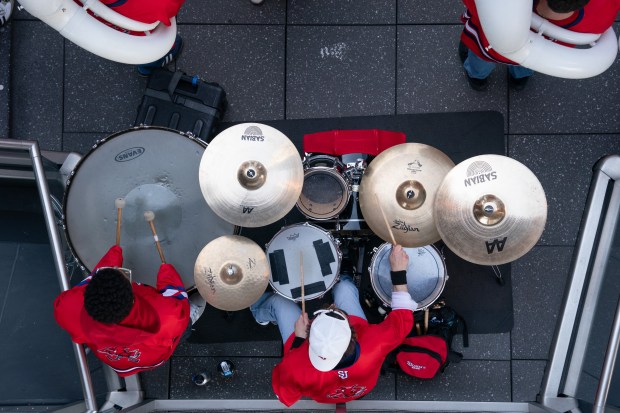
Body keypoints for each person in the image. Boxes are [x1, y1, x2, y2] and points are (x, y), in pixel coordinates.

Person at [251, 244, 416, 406]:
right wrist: (398, 270)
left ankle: (259, 310)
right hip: (360, 390)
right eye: (335, 312)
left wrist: (299, 341)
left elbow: (284, 396)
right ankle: (344, 277)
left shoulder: (295, 366)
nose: (333, 308)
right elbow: (403, 320)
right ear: (351, 333)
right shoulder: (375, 344)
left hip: (314, 370)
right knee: (345, 287)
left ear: (310, 334)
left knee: (278, 302)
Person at [54, 245, 204, 377]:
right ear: (132, 298)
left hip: (114, 359)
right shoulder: (167, 315)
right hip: (155, 357)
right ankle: (194, 313)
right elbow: (177, 296)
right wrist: (167, 272)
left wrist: (112, 257)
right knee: (188, 316)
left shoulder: (66, 308)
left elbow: (91, 280)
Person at [459, 0, 620, 91]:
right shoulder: (603, 10)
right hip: (541, 54)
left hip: (489, 47)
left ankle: (477, 79)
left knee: (480, 62)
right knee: (526, 66)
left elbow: (478, 7)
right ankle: (519, 79)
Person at [99, 0, 186, 76]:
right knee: (157, 49)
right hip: (144, 36)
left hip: (100, 21)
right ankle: (151, 65)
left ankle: (121, 53)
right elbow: (172, 8)